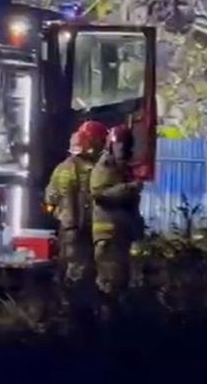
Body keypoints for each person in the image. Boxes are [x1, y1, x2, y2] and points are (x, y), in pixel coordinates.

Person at [45, 121, 106, 311]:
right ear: (92, 142)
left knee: (69, 268)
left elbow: (50, 198)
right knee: (81, 271)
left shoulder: (61, 168)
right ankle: (78, 312)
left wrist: (60, 215)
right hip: (85, 228)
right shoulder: (94, 169)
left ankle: (65, 307)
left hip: (68, 229)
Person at [90, 124, 144, 314]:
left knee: (121, 283)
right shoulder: (106, 165)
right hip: (108, 236)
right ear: (111, 145)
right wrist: (128, 189)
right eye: (119, 144)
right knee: (108, 285)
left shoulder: (124, 169)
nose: (122, 149)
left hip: (121, 236)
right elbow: (98, 193)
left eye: (125, 144)